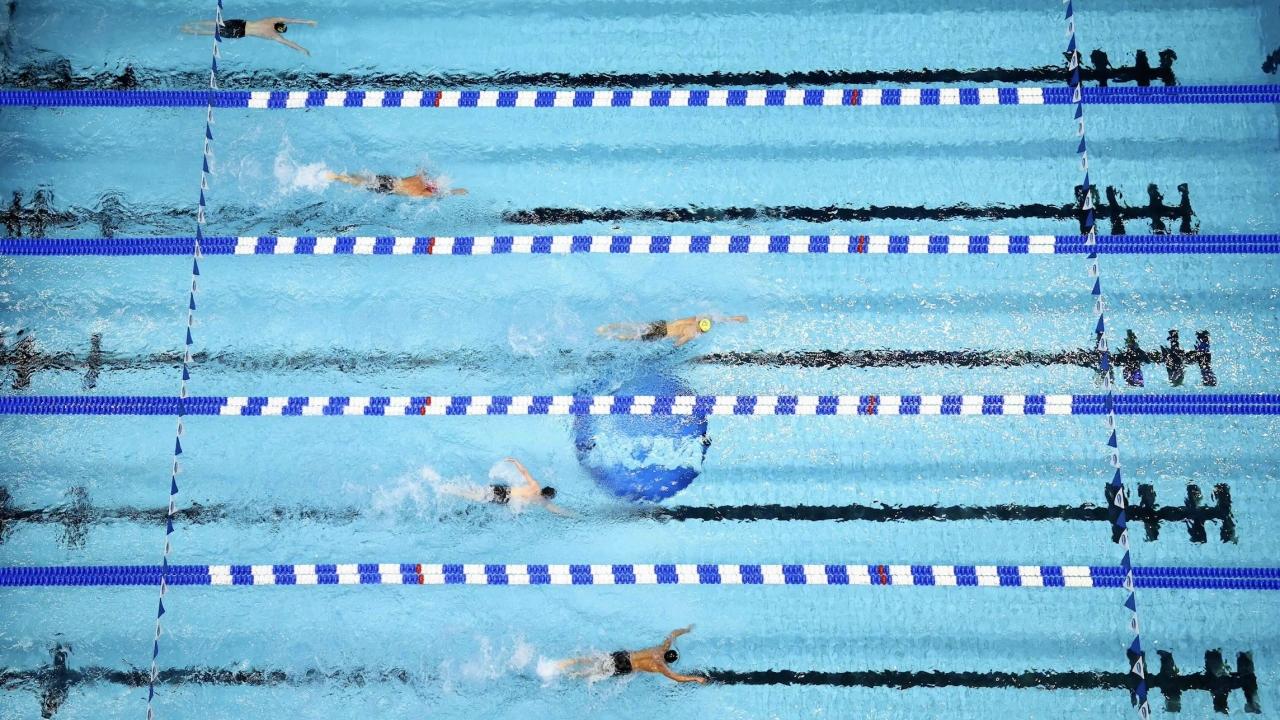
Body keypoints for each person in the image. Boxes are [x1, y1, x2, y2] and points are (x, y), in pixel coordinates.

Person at [555, 626, 707, 683]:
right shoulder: (661, 666)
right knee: (595, 673)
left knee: (596, 659)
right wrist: (695, 678)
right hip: (626, 667)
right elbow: (677, 678)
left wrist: (686, 630)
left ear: (667, 651)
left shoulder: (661, 648)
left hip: (624, 656)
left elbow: (672, 634)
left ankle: (570, 662)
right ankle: (573, 675)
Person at [438, 458, 571, 516]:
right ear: (547, 496)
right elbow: (557, 510)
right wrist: (574, 516)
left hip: (503, 489)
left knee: (478, 492)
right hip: (504, 498)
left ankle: (453, 487)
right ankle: (450, 489)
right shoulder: (543, 502)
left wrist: (516, 461)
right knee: (477, 496)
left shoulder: (535, 485)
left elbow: (524, 472)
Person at [181, 17, 317, 55]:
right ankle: (190, 31)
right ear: (279, 31)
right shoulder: (273, 36)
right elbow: (289, 44)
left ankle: (192, 23)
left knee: (216, 23)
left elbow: (291, 20)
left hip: (241, 23)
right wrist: (303, 49)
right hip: (241, 33)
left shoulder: (272, 20)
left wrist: (308, 22)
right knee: (214, 32)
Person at [597, 314, 747, 348]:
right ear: (703, 330)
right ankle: (611, 336)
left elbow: (715, 318)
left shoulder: (695, 319)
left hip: (662, 324)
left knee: (636, 326)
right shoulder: (691, 333)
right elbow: (677, 344)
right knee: (633, 337)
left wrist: (736, 318)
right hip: (662, 334)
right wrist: (677, 346)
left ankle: (608, 327)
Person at [324, 170, 468, 199]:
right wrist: (456, 192)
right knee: (360, 183)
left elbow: (422, 170)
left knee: (363, 179)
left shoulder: (420, 178)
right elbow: (441, 194)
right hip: (390, 187)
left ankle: (339, 175)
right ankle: (336, 177)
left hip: (392, 180)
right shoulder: (423, 193)